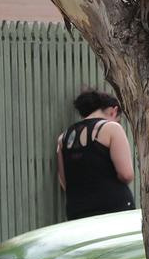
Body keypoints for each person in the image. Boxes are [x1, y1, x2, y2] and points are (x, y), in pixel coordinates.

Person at [56, 88, 135, 221]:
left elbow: (64, 182)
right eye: (118, 119)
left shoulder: (63, 138)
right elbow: (126, 174)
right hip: (114, 210)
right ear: (114, 111)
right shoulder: (112, 128)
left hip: (78, 211)